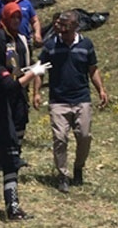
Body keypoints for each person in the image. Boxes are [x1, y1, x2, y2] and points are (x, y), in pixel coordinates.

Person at [0, 4, 38, 221]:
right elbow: (11, 86)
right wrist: (33, 74)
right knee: (10, 166)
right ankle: (13, 208)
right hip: (0, 127)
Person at [41, 11, 108, 193]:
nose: (60, 28)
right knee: (60, 138)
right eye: (60, 24)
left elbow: (92, 69)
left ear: (75, 26)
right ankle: (62, 175)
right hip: (58, 101)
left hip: (81, 99)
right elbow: (40, 69)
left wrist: (101, 90)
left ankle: (78, 167)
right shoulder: (50, 46)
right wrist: (35, 93)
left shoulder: (86, 45)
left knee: (84, 136)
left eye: (65, 25)